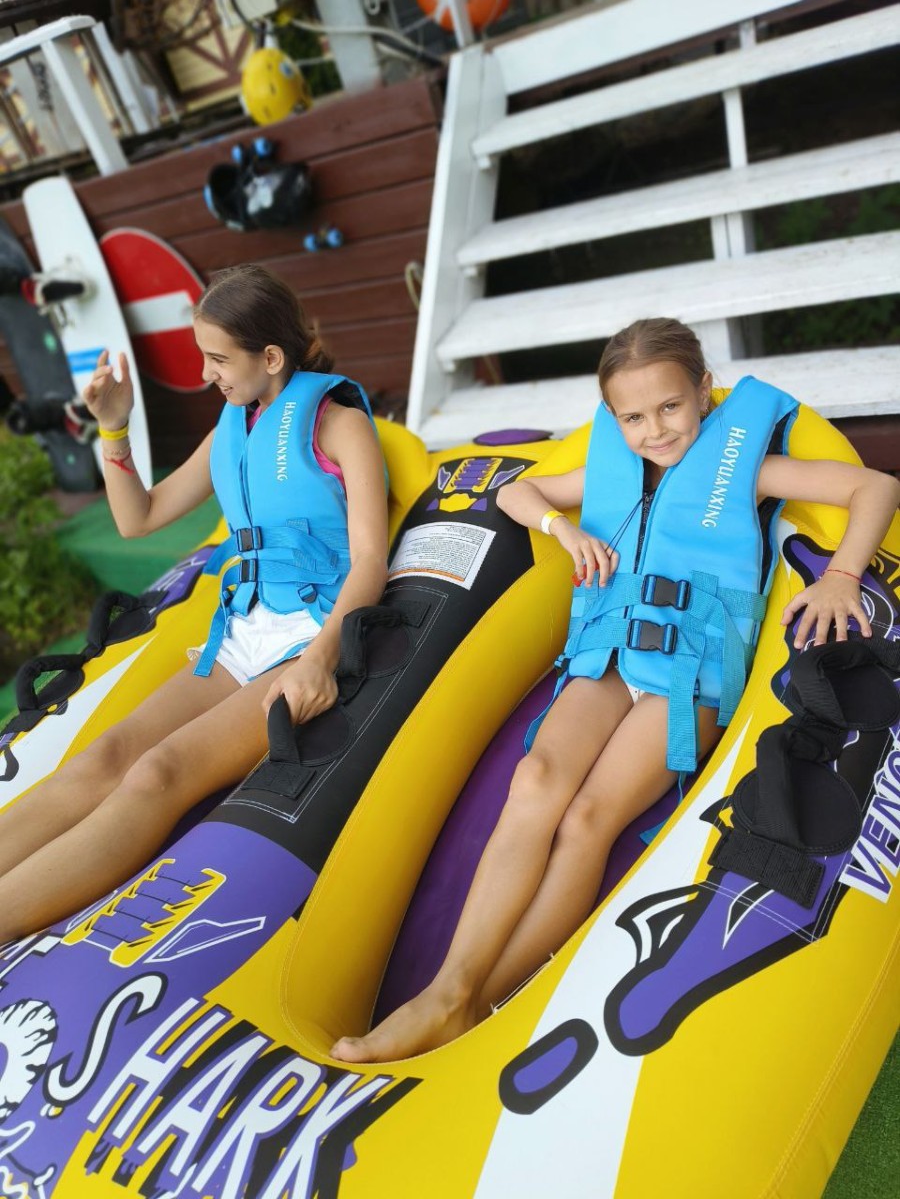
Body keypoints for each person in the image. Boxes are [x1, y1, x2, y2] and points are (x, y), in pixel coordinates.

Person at [331, 316, 900, 1064]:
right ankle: (450, 992)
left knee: (586, 820)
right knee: (535, 780)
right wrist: (563, 530)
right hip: (612, 656)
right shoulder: (608, 464)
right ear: (612, 417)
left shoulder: (745, 464)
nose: (654, 430)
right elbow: (518, 492)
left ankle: (471, 999)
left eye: (670, 406)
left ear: (704, 391)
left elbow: (876, 485)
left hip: (689, 676)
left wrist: (841, 576)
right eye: (632, 417)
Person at [0, 264, 388, 941]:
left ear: (271, 358)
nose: (208, 374)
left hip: (311, 633)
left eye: (218, 359)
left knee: (157, 772)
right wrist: (113, 427)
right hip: (242, 631)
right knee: (103, 756)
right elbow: (139, 518)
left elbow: (370, 562)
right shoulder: (234, 426)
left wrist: (320, 659)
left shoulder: (340, 425)